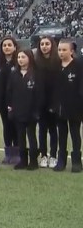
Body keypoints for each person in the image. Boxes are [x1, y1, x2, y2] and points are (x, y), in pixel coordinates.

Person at [7, 50, 43, 170]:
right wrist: (10, 106)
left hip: (31, 111)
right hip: (18, 111)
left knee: (31, 136)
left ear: (29, 58)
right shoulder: (14, 74)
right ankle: (23, 160)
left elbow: (39, 94)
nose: (20, 59)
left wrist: (36, 111)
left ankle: (33, 161)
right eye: (18, 57)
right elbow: (9, 92)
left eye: (23, 57)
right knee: (20, 136)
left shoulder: (36, 74)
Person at [52, 39, 82, 172]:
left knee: (75, 134)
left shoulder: (79, 65)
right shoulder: (55, 66)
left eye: (64, 50)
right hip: (59, 108)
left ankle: (76, 162)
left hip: (75, 107)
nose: (61, 52)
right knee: (62, 134)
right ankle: (61, 161)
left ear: (71, 51)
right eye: (59, 50)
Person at [35, 37, 59, 169]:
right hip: (40, 102)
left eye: (47, 44)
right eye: (42, 44)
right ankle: (43, 155)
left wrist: (55, 103)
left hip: (53, 102)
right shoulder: (36, 62)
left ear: (52, 45)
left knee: (53, 130)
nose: (44, 46)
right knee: (42, 130)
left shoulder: (57, 61)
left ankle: (53, 156)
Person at [0, 36, 19, 164]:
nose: (7, 47)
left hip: (16, 100)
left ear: (15, 47)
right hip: (2, 101)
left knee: (16, 126)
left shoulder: (19, 61)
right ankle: (8, 153)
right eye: (4, 45)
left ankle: (17, 153)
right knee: (6, 126)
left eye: (9, 45)